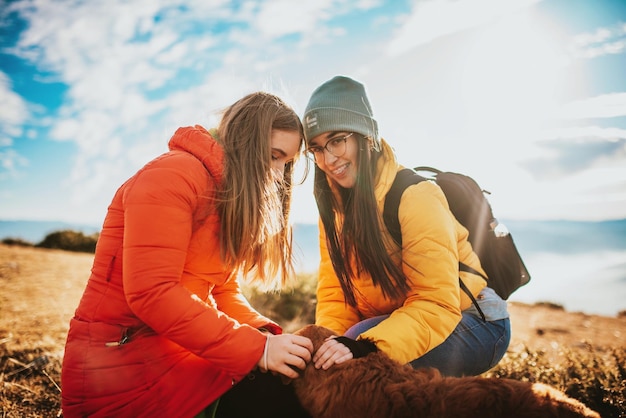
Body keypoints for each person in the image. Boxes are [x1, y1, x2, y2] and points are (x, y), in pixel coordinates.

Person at [61, 92, 314, 418]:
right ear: (246, 141)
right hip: (124, 375)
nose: (279, 174)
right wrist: (258, 350)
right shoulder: (173, 175)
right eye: (273, 156)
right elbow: (152, 293)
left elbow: (222, 291)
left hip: (182, 359)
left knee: (298, 392)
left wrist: (264, 334)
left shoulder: (228, 193)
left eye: (286, 163)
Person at [302, 75, 511, 377]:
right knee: (323, 355)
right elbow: (337, 295)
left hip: (473, 320)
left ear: (366, 137)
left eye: (337, 140)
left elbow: (436, 302)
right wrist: (329, 341)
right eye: (317, 148)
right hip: (403, 320)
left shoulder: (414, 195)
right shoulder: (334, 213)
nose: (328, 159)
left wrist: (362, 345)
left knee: (358, 354)